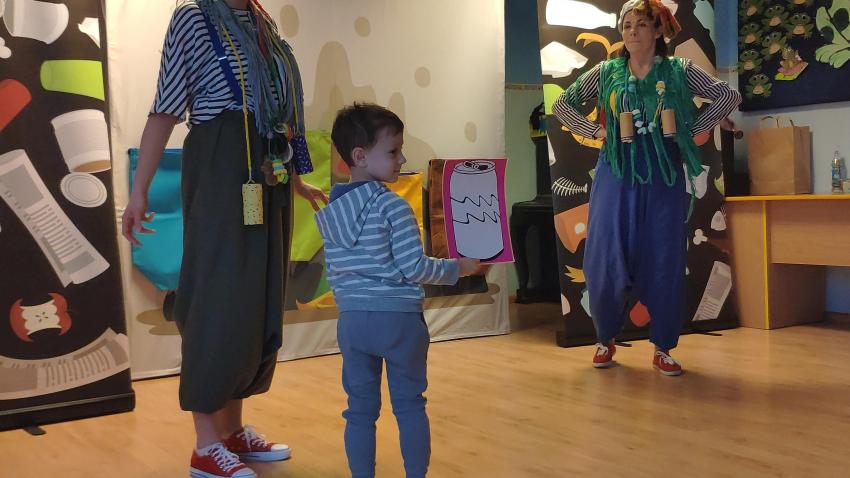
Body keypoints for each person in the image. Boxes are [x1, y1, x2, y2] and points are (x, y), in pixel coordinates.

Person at [121, 1, 327, 476]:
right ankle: (205, 443)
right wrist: (139, 191)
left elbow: (282, 112)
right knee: (218, 295)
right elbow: (165, 109)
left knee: (257, 299)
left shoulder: (261, 21)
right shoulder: (194, 18)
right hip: (221, 164)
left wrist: (296, 179)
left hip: (268, 171)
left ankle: (232, 431)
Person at [552, 0, 741, 376]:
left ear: (658, 30)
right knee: (606, 257)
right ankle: (605, 338)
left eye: (640, 24)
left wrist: (690, 127)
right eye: (627, 25)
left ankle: (663, 347)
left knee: (664, 258)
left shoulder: (679, 70)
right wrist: (595, 131)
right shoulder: (606, 71)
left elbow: (728, 96)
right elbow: (563, 105)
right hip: (616, 174)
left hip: (663, 175)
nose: (632, 31)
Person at [315, 103, 479, 477]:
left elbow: (335, 272)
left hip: (352, 323)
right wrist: (459, 268)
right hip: (398, 322)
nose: (402, 159)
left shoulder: (332, 212)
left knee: (359, 411)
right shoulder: (394, 207)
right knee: (409, 406)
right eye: (393, 151)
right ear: (360, 156)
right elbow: (415, 267)